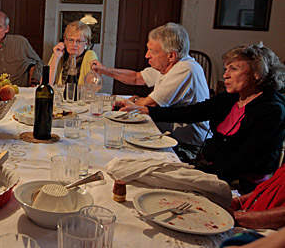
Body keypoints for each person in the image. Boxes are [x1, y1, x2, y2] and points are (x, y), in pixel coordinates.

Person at [116, 43, 285, 193]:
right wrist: (146, 110)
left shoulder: (271, 110)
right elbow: (192, 112)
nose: (225, 75)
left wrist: (193, 176)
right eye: (226, 69)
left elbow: (243, 161)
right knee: (141, 172)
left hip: (239, 185)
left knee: (153, 182)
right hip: (211, 169)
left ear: (257, 73)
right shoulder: (234, 96)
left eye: (234, 69)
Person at [91, 22, 210, 148]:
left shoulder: (185, 69)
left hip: (186, 145)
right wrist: (104, 70)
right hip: (167, 136)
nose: (146, 55)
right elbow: (136, 78)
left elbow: (150, 105)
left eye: (152, 52)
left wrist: (136, 100)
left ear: (171, 55)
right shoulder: (167, 66)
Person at [48, 20, 98, 85]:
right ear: (65, 40)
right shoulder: (59, 54)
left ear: (86, 43)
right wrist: (56, 58)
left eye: (79, 41)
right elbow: (46, 84)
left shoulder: (90, 55)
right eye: (71, 40)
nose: (74, 44)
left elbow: (93, 86)